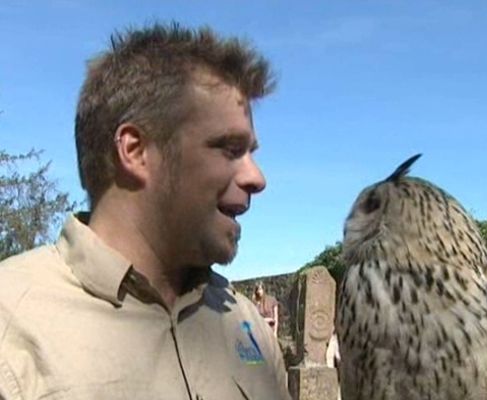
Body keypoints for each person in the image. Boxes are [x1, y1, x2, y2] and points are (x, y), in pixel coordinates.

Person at [0, 23, 291, 400]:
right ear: (135, 152)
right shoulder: (12, 327)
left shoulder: (247, 324)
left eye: (252, 153)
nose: (257, 177)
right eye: (229, 149)